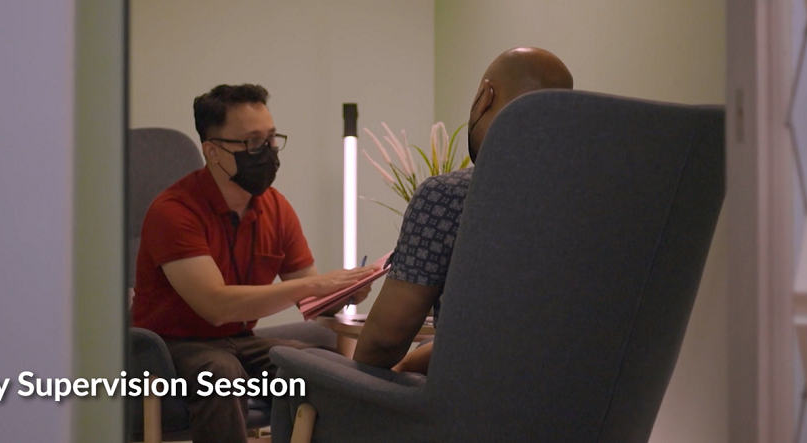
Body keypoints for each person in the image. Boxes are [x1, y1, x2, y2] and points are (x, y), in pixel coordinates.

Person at [131, 83, 375, 443]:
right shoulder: (174, 211)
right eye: (251, 142)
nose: (266, 151)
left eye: (272, 139)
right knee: (219, 373)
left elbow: (309, 296)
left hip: (240, 339)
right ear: (212, 151)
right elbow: (215, 306)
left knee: (321, 369)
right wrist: (313, 286)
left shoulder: (275, 207)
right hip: (169, 348)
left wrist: (346, 291)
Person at [353, 47, 574, 375]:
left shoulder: (447, 198)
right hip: (583, 417)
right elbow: (531, 338)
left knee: (294, 378)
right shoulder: (601, 204)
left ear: (485, 97)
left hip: (469, 419)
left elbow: (384, 342)